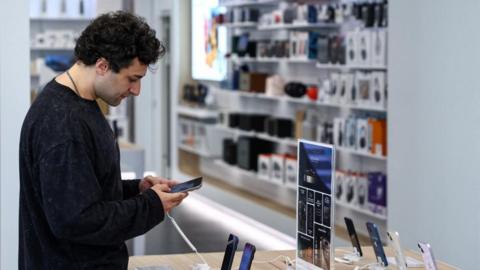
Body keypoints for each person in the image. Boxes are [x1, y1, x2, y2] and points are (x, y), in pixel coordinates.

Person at [19, 11, 188, 269]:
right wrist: (150, 206)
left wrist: (136, 189)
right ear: (102, 66)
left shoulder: (78, 104)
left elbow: (81, 188)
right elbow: (76, 220)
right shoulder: (63, 123)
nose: (136, 90)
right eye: (133, 79)